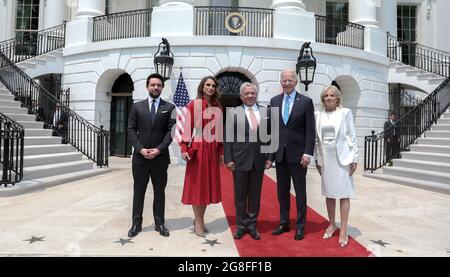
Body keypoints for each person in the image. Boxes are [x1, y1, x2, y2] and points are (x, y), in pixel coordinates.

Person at [267, 70, 315, 241]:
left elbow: (310, 130)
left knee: (300, 193)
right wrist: (270, 157)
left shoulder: (306, 102)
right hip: (280, 156)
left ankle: (301, 226)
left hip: (299, 156)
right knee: (282, 192)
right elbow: (272, 131)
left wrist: (308, 153)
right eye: (284, 80)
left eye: (290, 80)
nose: (287, 83)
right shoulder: (274, 101)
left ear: (296, 82)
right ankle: (284, 222)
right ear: (281, 82)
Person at [127, 73, 175, 238]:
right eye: (153, 84)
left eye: (159, 85)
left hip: (160, 158)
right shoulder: (137, 106)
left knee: (159, 191)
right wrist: (140, 149)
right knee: (138, 191)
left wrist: (159, 149)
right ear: (147, 87)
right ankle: (136, 223)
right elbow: (131, 130)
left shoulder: (169, 108)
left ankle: (160, 223)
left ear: (162, 88)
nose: (156, 87)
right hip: (140, 158)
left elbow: (171, 131)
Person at [224, 82, 271, 240]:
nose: (250, 95)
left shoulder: (266, 111)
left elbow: (271, 136)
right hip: (239, 160)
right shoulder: (233, 112)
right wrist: (228, 159)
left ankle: (252, 225)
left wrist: (270, 158)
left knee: (255, 196)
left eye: (252, 93)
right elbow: (228, 137)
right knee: (240, 196)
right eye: (247, 93)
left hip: (259, 160)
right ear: (241, 96)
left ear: (256, 95)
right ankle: (241, 226)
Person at [314, 85, 358, 247]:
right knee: (330, 193)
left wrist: (354, 158)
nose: (329, 98)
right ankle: (332, 223)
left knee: (344, 194)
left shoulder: (345, 113)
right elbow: (316, 141)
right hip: (326, 160)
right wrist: (318, 160)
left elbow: (351, 136)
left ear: (338, 98)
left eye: (332, 95)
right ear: (323, 99)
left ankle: (344, 228)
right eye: (326, 95)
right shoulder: (318, 115)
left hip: (343, 159)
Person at [180, 76, 224, 237]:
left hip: (212, 150)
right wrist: (184, 147)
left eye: (213, 85)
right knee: (197, 187)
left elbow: (219, 131)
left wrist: (221, 152)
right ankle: (198, 222)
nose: (210, 88)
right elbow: (186, 127)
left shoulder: (217, 106)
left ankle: (200, 219)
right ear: (202, 87)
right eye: (208, 85)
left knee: (207, 187)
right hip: (198, 149)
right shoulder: (194, 104)